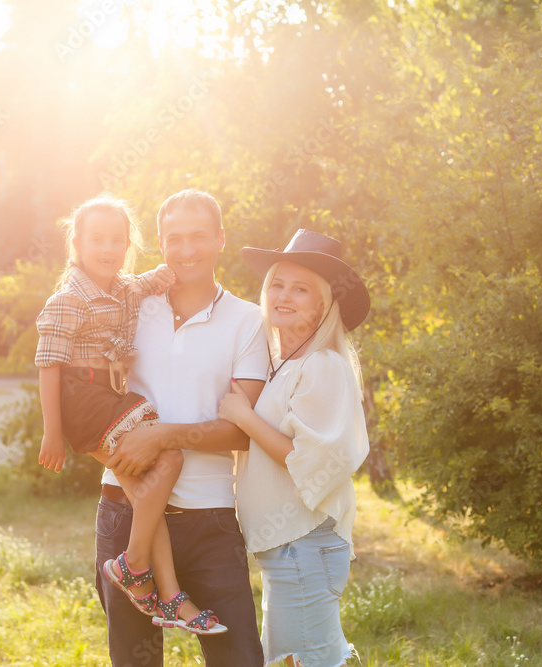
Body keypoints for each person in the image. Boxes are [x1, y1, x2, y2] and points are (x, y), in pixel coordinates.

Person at [34, 194, 226, 635]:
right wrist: (52, 432)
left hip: (108, 397)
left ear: (128, 245)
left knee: (147, 489)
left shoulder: (123, 287)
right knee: (169, 459)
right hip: (82, 399)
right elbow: (48, 365)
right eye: (96, 239)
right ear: (77, 244)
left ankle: (168, 595)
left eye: (116, 240)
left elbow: (148, 282)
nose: (107, 248)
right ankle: (134, 566)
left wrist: (168, 271)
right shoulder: (67, 299)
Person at [95, 189, 269, 666]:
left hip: (208, 518)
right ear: (160, 243)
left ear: (220, 239)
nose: (187, 249)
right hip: (124, 510)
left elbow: (242, 430)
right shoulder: (128, 308)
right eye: (174, 238)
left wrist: (164, 434)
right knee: (135, 661)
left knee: (238, 659)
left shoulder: (248, 321)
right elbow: (83, 392)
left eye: (198, 236)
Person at [218, 229, 371, 667]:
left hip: (303, 546)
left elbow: (313, 459)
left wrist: (244, 417)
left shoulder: (322, 366)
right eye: (278, 285)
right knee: (301, 658)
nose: (284, 295)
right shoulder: (283, 365)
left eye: (300, 289)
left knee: (303, 661)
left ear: (323, 304)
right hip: (288, 549)